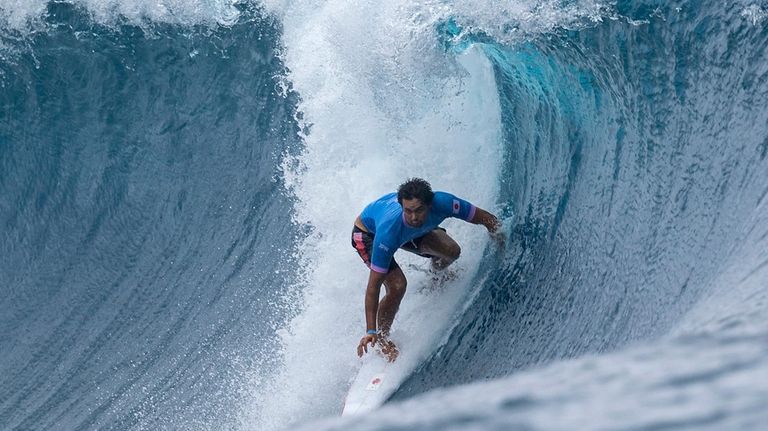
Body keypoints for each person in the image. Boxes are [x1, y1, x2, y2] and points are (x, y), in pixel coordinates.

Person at [351, 178, 500, 361]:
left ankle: (436, 277)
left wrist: (500, 239)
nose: (414, 217)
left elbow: (487, 219)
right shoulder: (388, 232)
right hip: (368, 235)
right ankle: (382, 339)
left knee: (452, 251)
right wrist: (370, 330)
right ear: (402, 207)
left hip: (409, 231)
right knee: (397, 285)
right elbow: (373, 287)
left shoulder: (444, 203)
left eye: (419, 210)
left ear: (430, 205)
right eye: (408, 211)